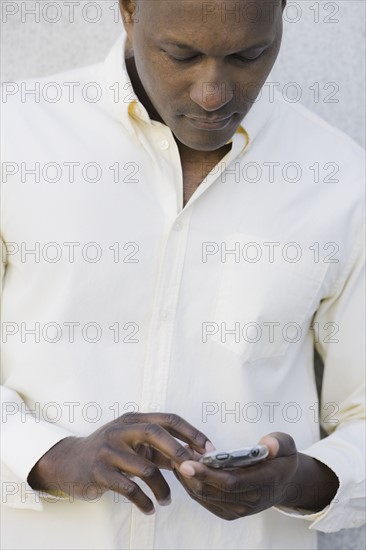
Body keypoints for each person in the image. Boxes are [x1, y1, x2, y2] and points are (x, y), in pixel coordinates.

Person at [1, 0, 364, 549]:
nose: (212, 93)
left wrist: (298, 480)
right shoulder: (17, 138)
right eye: (181, 54)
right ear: (127, 12)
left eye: (249, 55)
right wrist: (50, 458)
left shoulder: (341, 179)